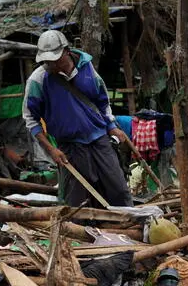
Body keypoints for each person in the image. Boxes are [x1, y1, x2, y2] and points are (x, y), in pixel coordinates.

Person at [22, 30, 133, 207]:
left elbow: (102, 101)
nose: (51, 64)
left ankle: (129, 225)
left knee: (118, 189)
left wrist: (111, 126)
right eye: (47, 61)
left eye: (55, 59)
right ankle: (80, 232)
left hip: (99, 139)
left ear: (66, 51)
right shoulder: (38, 80)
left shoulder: (86, 68)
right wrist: (51, 150)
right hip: (69, 146)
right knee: (77, 200)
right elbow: (30, 119)